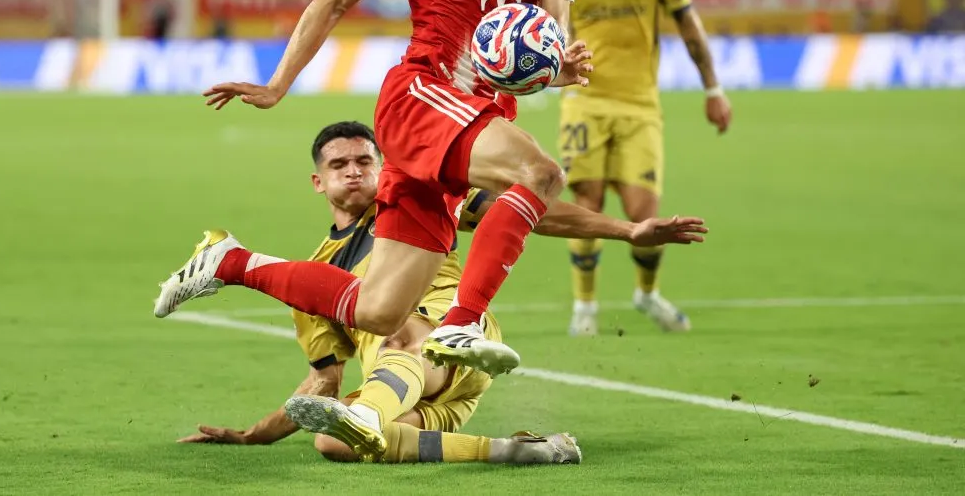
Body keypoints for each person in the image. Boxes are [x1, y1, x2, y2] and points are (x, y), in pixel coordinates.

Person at [162, 0, 699, 378]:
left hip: (477, 116)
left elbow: (550, 22)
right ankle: (462, 323)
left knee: (377, 307)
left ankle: (230, 260)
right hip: (422, 97)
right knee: (540, 172)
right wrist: (276, 85)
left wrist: (554, 61)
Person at [175, 121, 705, 463]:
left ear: (382, 168)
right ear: (319, 182)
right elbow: (323, 384)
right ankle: (512, 452)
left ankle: (376, 405)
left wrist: (627, 230)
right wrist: (252, 436)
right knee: (333, 442)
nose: (354, 172)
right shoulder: (315, 274)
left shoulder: (418, 202)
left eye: (364, 161)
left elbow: (524, 212)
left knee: (397, 328)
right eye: (340, 166)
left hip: (456, 342)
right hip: (428, 398)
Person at [560, 0, 733, 337]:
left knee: (643, 212)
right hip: (584, 101)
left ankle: (646, 293)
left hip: (640, 105)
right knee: (587, 202)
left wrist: (713, 88)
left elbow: (690, 26)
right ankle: (585, 306)